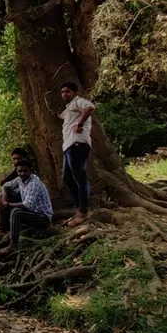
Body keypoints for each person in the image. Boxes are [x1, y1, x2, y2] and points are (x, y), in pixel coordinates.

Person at [0, 161, 54, 252]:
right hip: (31, 212)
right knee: (2, 203)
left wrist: (7, 204)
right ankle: (3, 232)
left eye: (25, 171)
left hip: (42, 217)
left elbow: (26, 204)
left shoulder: (34, 184)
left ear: (30, 170)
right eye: (20, 171)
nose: (22, 173)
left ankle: (13, 245)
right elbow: (5, 186)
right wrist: (4, 200)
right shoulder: (19, 179)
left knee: (16, 212)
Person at [59, 82, 95, 226]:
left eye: (67, 91)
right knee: (67, 178)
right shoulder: (70, 108)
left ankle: (84, 212)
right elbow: (63, 116)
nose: (64, 94)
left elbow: (90, 107)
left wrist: (79, 125)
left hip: (77, 143)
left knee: (80, 178)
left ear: (74, 92)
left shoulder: (79, 101)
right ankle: (80, 208)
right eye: (62, 92)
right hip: (69, 145)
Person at [0, 148, 33, 234]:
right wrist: (4, 198)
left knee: (2, 201)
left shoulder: (28, 171)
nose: (16, 161)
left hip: (27, 201)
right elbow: (5, 184)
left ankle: (3, 230)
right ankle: (4, 228)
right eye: (14, 159)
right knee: (2, 196)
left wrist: (6, 203)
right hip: (19, 196)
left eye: (18, 158)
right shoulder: (18, 170)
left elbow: (27, 202)